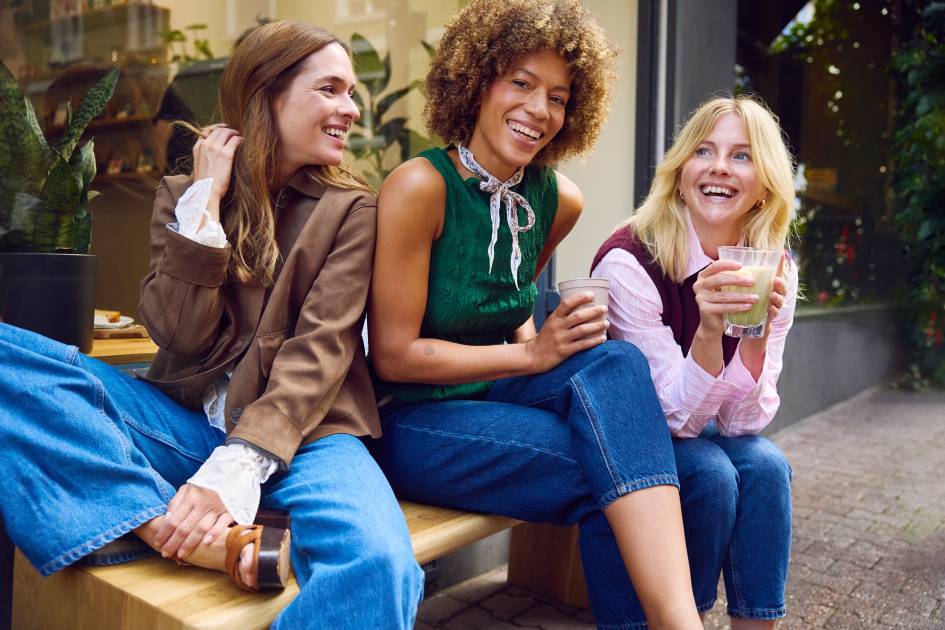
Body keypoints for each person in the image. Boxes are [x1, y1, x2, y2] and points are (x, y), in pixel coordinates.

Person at [0, 20, 423, 629]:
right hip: (186, 424)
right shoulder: (186, 194)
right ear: (267, 96)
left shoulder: (352, 210)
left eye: (351, 92)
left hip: (310, 436)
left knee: (379, 562)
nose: (351, 109)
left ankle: (154, 518)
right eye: (330, 89)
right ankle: (160, 524)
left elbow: (320, 352)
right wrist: (204, 202)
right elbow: (180, 335)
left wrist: (242, 462)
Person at [368, 1, 703, 628]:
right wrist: (533, 355)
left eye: (558, 97)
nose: (539, 110)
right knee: (613, 475)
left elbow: (511, 301)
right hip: (411, 419)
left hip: (496, 391)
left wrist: (547, 346)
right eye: (520, 83)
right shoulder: (420, 187)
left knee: (615, 361)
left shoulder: (556, 200)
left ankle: (676, 619)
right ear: (476, 82)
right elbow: (393, 357)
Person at [591, 95, 796, 628]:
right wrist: (709, 330)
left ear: (764, 186)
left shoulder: (773, 266)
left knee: (767, 466)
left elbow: (743, 424)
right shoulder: (632, 261)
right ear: (681, 174)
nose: (719, 167)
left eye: (741, 156)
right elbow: (672, 421)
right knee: (711, 472)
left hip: (691, 425)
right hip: (629, 436)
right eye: (703, 151)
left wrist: (755, 335)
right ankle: (686, 618)